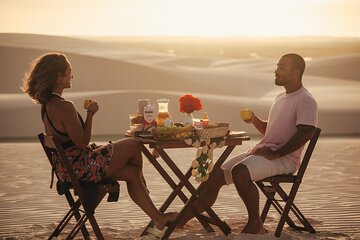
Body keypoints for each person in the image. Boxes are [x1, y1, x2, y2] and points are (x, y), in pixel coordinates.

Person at [22, 53, 178, 230]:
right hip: (81, 168)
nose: (72, 76)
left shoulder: (47, 105)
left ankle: (158, 217)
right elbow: (81, 142)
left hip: (69, 169)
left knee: (132, 173)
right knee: (134, 144)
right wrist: (90, 113)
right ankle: (145, 189)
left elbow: (73, 144)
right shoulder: (64, 106)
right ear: (59, 76)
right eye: (69, 72)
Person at [178, 53, 318, 234]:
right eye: (277, 66)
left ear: (296, 72)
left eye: (282, 67)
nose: (276, 71)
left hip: (285, 159)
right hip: (264, 152)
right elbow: (273, 131)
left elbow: (308, 131)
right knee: (215, 176)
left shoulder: (305, 99)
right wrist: (254, 120)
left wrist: (277, 153)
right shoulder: (280, 98)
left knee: (240, 172)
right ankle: (181, 219)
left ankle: (255, 224)